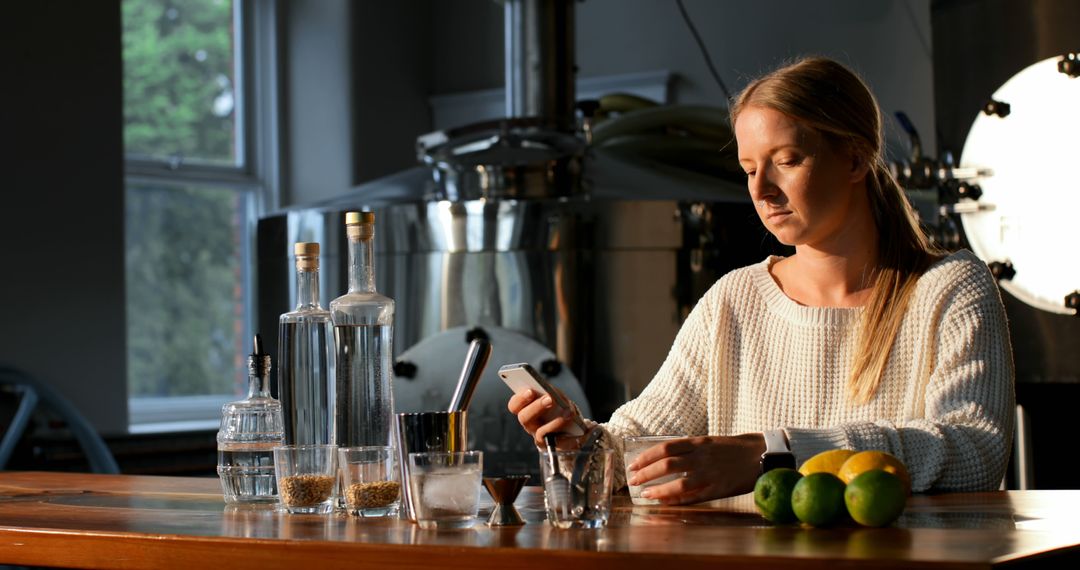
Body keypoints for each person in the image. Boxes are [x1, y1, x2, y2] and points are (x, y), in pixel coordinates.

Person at [508, 56, 1015, 504]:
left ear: (857, 158)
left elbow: (973, 451)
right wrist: (581, 443)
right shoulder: (737, 298)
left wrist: (773, 453)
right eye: (749, 168)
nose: (762, 190)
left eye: (786, 161)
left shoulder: (949, 289)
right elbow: (639, 445)